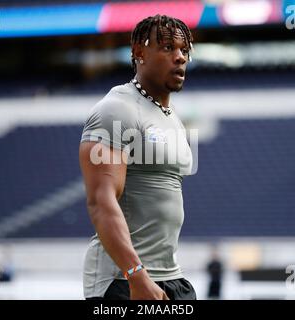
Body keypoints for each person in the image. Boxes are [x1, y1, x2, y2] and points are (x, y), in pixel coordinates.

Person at [79, 14, 196, 300]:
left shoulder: (172, 118)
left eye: (184, 50)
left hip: (170, 277)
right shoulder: (117, 110)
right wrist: (137, 277)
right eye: (168, 48)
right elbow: (100, 202)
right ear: (139, 53)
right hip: (122, 280)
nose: (179, 57)